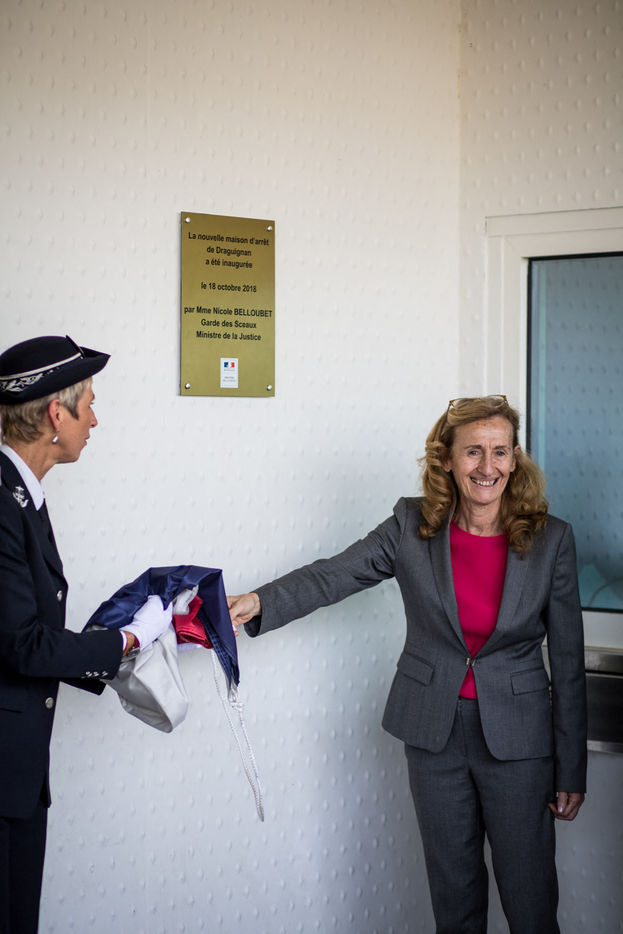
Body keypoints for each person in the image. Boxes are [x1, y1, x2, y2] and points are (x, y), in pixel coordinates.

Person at [228, 394, 587, 934]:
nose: (487, 466)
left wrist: (571, 767)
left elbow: (569, 661)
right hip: (433, 734)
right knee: (454, 900)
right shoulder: (411, 524)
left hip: (520, 742)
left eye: (500, 452)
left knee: (530, 901)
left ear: (515, 459)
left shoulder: (551, 539)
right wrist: (258, 601)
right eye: (473, 451)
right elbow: (335, 574)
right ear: (447, 458)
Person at [0, 335, 173, 934]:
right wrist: (126, 642)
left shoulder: (21, 493)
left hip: (19, 774)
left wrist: (117, 637)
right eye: (89, 404)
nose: (94, 420)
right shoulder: (2, 500)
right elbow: (22, 644)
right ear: (57, 413)